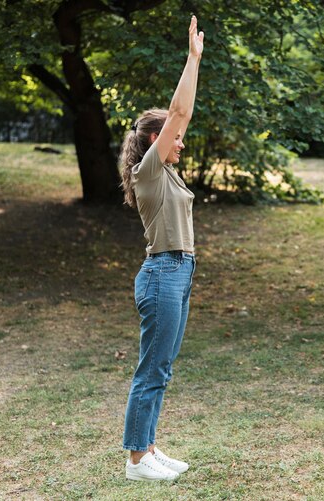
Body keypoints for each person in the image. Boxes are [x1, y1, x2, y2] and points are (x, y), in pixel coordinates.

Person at [119, 15, 204, 481]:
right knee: (151, 369)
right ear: (158, 140)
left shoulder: (167, 173)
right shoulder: (148, 171)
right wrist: (192, 60)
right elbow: (180, 114)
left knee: (162, 368)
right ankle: (136, 461)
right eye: (174, 138)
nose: (182, 142)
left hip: (179, 272)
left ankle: (148, 448)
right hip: (162, 274)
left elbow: (179, 122)